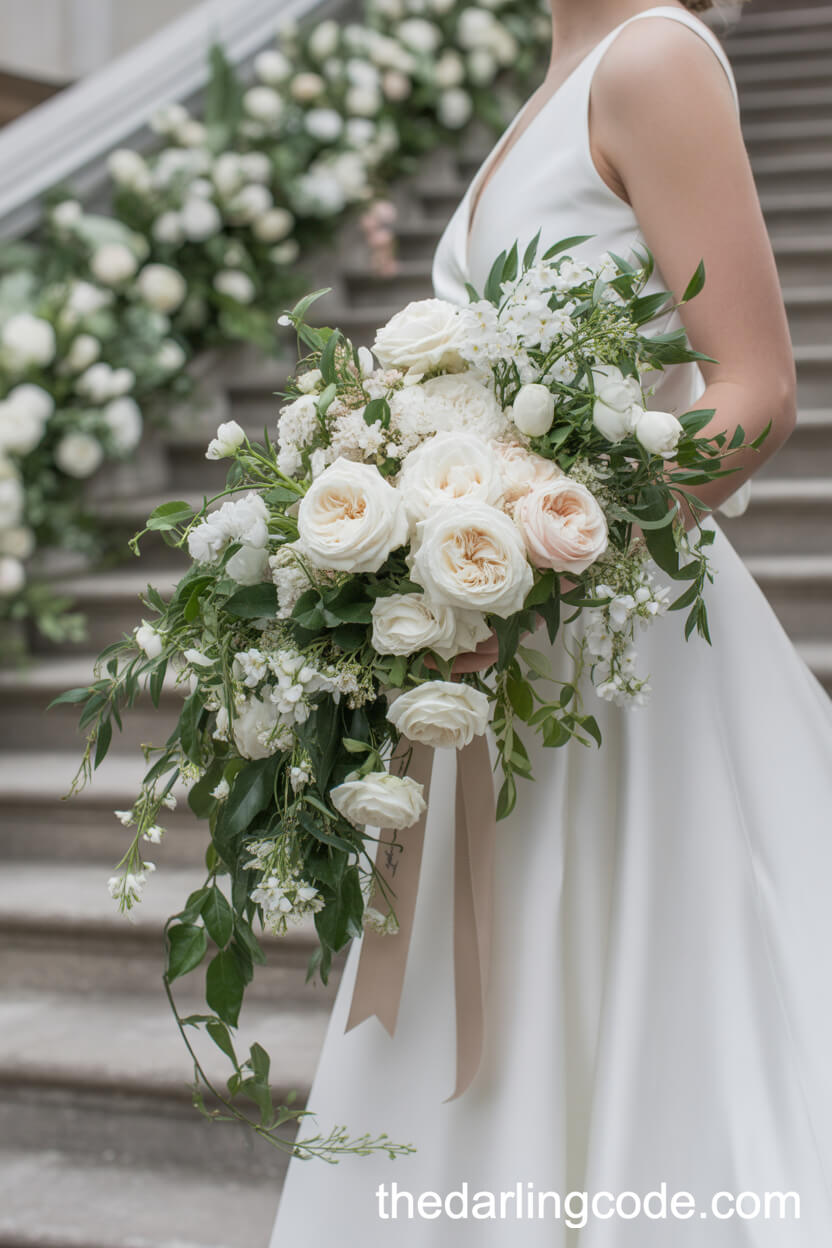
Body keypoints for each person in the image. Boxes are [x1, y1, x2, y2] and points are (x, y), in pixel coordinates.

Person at [270, 3, 832, 1242]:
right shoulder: (550, 82)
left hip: (607, 650)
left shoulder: (654, 56)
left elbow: (755, 388)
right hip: (503, 662)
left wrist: (542, 560)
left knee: (633, 1000)